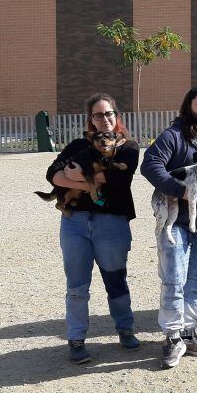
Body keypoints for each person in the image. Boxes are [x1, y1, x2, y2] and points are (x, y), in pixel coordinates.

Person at [45, 94, 140, 364]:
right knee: (76, 286)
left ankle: (125, 330)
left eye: (109, 113)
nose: (105, 119)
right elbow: (52, 174)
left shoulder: (129, 147)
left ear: (117, 115)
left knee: (115, 281)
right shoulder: (77, 144)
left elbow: (120, 181)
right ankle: (76, 339)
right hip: (74, 222)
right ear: (91, 120)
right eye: (98, 115)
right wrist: (90, 184)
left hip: (111, 222)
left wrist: (75, 178)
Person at [141, 85, 197, 369]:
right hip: (175, 223)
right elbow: (150, 164)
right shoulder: (173, 136)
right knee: (173, 281)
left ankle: (188, 333)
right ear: (189, 106)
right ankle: (172, 337)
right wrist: (179, 191)